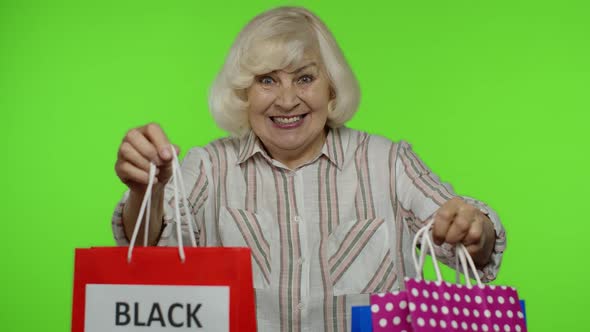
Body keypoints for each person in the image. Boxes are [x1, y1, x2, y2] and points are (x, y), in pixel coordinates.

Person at [112, 6, 506, 331]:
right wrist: (147, 192)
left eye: (304, 78)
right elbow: (147, 255)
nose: (287, 100)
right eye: (267, 80)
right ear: (243, 92)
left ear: (331, 87)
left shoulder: (389, 162)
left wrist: (475, 228)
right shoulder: (208, 167)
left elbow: (471, 239)